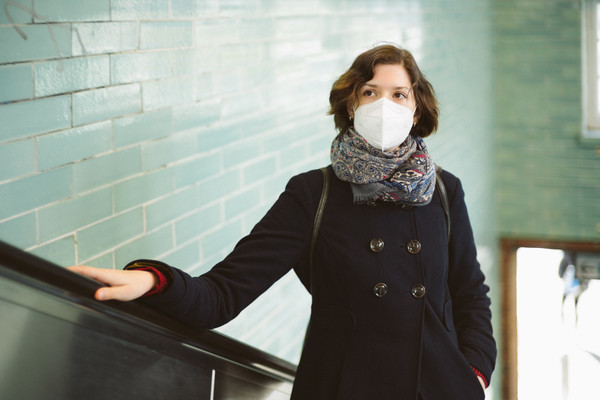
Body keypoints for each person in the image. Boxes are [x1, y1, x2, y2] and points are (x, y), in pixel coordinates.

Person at [70, 44, 496, 399]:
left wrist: (475, 372)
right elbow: (222, 294)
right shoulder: (314, 194)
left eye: (399, 94)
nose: (384, 105)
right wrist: (152, 281)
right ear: (351, 105)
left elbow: (469, 292)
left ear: (418, 109)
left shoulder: (443, 190)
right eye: (370, 92)